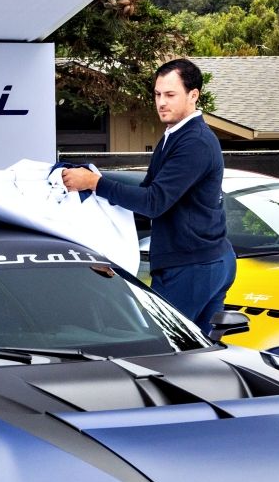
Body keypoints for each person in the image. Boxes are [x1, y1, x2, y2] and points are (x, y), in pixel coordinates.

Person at [60, 58, 232, 335]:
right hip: (204, 260)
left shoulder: (194, 141)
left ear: (193, 95)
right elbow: (146, 191)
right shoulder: (174, 135)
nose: (161, 102)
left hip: (193, 265)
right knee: (196, 354)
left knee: (162, 345)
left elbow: (153, 202)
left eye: (170, 95)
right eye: (157, 94)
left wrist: (95, 183)